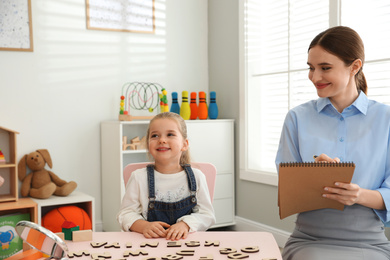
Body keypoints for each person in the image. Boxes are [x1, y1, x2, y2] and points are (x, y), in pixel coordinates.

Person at [275, 26, 390, 259]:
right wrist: (313, 174)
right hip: (310, 239)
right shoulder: (297, 118)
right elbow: (287, 191)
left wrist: (357, 195)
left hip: (370, 243)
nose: (315, 77)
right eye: (311, 68)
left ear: (355, 67)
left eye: (325, 68)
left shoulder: (386, 119)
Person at [117, 112, 216, 240]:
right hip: (149, 244)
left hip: (188, 243)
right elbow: (125, 214)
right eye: (155, 135)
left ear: (184, 144)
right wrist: (143, 226)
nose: (162, 140)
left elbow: (207, 215)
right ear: (148, 145)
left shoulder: (197, 177)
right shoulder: (138, 177)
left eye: (170, 134)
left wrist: (185, 224)